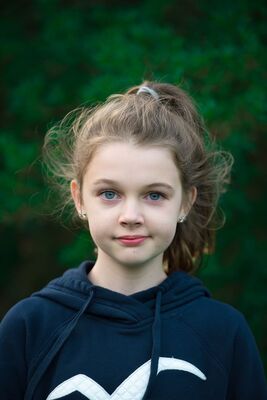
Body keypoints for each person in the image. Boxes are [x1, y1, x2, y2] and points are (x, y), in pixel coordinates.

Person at [0, 81, 266, 400]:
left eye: (154, 195)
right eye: (109, 194)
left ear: (185, 202)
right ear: (79, 198)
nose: (131, 215)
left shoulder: (223, 332)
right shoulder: (30, 326)